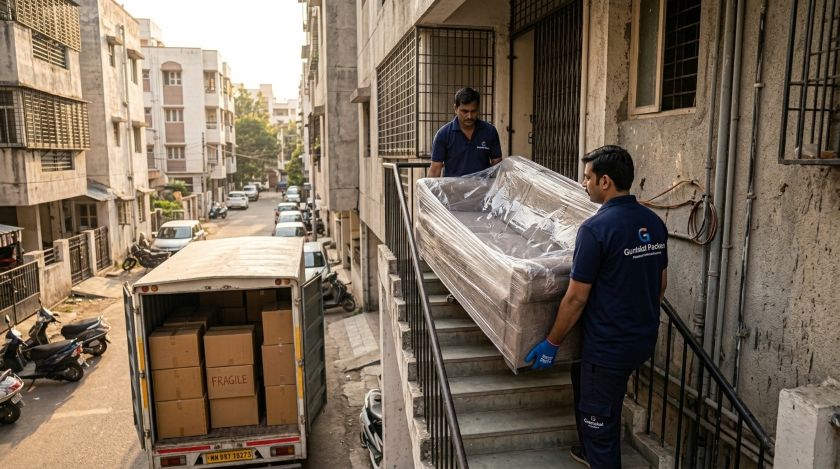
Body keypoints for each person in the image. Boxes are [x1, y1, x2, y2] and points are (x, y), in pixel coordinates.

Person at [525, 145, 668, 468]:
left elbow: (576, 298)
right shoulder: (653, 222)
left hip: (607, 348)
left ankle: (597, 453)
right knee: (597, 394)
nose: (582, 183)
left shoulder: (595, 229)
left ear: (605, 182)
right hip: (641, 339)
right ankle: (589, 450)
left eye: (588, 177)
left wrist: (552, 342)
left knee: (599, 423)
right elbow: (661, 285)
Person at [428, 87, 502, 177]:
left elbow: (497, 167)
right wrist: (428, 190)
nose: (469, 116)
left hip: (483, 190)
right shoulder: (443, 135)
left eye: (473, 111)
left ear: (478, 108)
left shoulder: (490, 131)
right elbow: (435, 170)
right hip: (452, 190)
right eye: (465, 111)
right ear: (455, 108)